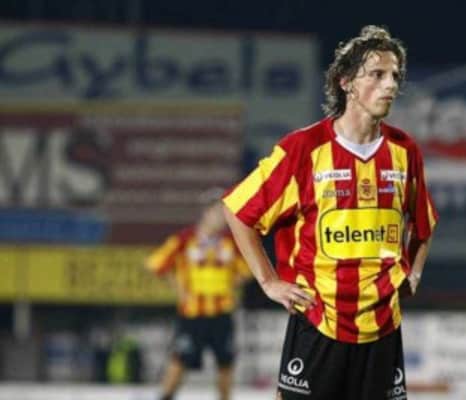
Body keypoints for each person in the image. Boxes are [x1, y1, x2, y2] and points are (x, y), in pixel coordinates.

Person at [222, 25, 438, 400]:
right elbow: (239, 212)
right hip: (318, 322)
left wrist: (414, 272)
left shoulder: (405, 151)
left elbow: (423, 223)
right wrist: (268, 281)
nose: (390, 85)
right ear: (346, 82)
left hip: (383, 328)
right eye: (377, 75)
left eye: (395, 76)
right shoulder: (303, 149)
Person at [146, 196, 251, 400]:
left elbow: (249, 269)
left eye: (224, 214)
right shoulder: (184, 239)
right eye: (218, 213)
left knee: (226, 362)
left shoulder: (231, 242)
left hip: (222, 312)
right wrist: (179, 289)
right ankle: (165, 396)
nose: (221, 218)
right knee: (180, 359)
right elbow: (156, 263)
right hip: (192, 313)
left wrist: (232, 284)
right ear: (206, 213)